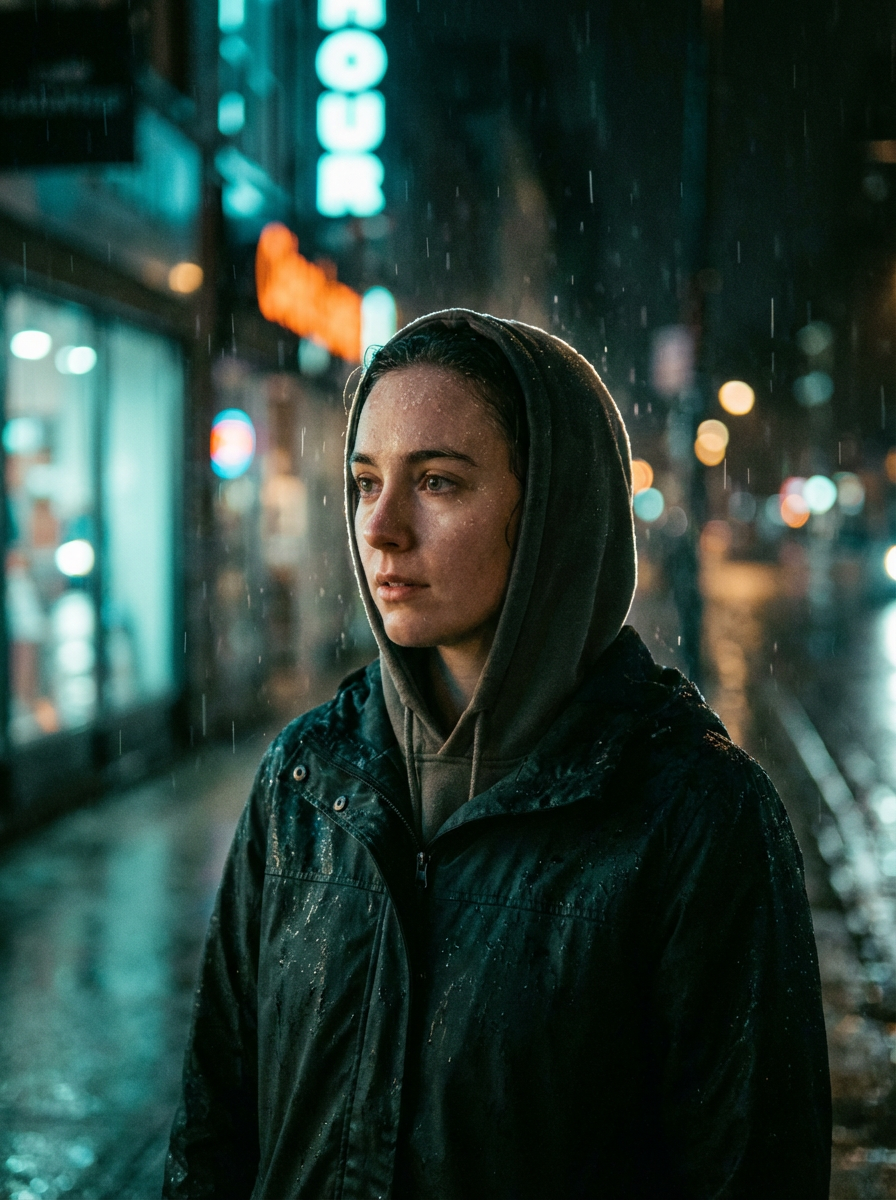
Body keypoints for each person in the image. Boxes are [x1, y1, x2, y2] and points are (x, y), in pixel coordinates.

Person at [163, 310, 831, 1199]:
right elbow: (214, 1128)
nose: (383, 528)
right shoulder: (306, 780)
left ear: (552, 508)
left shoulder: (692, 818)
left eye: (437, 482)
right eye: (365, 483)